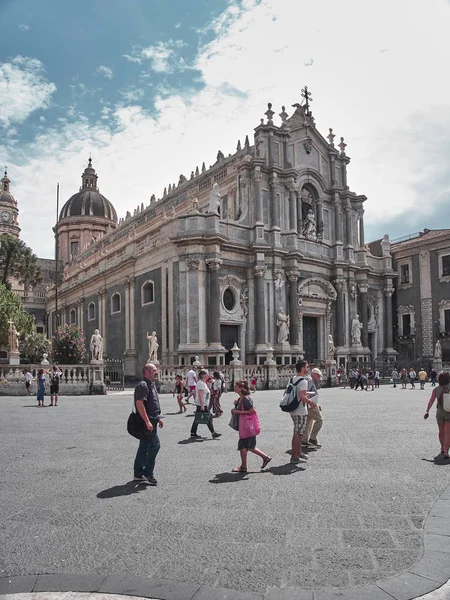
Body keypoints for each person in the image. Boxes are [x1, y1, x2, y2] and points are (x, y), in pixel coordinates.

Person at [133, 363, 164, 485]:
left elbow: (152, 403)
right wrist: (147, 421)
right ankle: (148, 473)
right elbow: (139, 404)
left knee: (144, 447)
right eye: (154, 370)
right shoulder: (143, 385)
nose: (156, 372)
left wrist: (158, 418)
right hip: (147, 422)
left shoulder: (152, 384)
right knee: (155, 445)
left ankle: (138, 474)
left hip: (153, 420)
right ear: (147, 372)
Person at [231, 379, 271, 472]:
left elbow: (253, 411)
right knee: (246, 446)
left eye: (236, 386)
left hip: (247, 426)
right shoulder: (241, 398)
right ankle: (262, 459)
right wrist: (236, 404)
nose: (234, 387)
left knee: (246, 446)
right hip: (245, 426)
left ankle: (246, 466)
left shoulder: (245, 398)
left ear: (241, 388)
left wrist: (239, 411)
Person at [289, 360, 315, 464]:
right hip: (300, 410)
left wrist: (305, 395)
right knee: (298, 433)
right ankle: (294, 456)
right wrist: (311, 402)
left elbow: (298, 393)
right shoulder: (303, 381)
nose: (308, 368)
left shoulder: (293, 379)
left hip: (293, 409)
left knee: (298, 432)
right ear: (302, 368)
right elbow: (302, 397)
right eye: (307, 367)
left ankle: (299, 453)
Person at [424, 371, 450, 460]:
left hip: (439, 411)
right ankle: (446, 451)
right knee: (447, 432)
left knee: (441, 431)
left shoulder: (436, 389)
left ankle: (442, 447)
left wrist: (427, 411)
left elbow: (431, 401)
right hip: (449, 411)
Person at [190, 370, 221, 439]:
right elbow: (200, 395)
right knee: (208, 417)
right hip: (202, 403)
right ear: (203, 375)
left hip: (202, 403)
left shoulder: (202, 383)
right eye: (207, 374)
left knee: (198, 418)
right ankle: (213, 432)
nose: (208, 375)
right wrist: (202, 405)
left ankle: (193, 432)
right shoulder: (201, 383)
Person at [304, 368, 323, 448]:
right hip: (311, 404)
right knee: (319, 420)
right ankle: (313, 438)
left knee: (308, 421)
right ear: (314, 374)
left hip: (309, 404)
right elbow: (307, 393)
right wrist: (313, 403)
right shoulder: (310, 381)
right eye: (318, 376)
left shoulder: (308, 380)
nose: (318, 378)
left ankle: (304, 439)